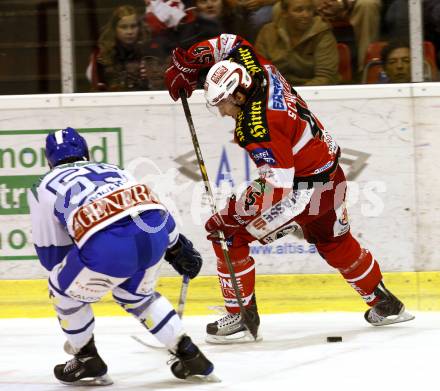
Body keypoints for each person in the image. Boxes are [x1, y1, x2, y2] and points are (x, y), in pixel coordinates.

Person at [164, 33, 414, 343]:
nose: (223, 112)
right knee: (334, 241)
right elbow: (233, 42)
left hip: (302, 193)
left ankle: (240, 315)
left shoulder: (258, 127)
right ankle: (385, 303)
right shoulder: (258, 69)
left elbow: (277, 188)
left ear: (239, 96)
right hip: (331, 177)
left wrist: (234, 212)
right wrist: (193, 59)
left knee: (225, 234)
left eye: (224, 104)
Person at [27, 127, 216, 384]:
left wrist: (85, 269)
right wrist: (176, 247)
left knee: (61, 289)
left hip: (108, 247)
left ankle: (86, 358)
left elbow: (52, 256)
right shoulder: (114, 169)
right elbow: (150, 206)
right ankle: (189, 354)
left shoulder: (43, 186)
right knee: (137, 296)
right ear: (86, 152)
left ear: (48, 160)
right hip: (153, 236)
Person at [255, 0, 340, 86]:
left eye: (309, 9)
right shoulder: (268, 32)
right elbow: (258, 72)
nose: (306, 15)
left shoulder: (322, 32)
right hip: (276, 91)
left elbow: (326, 77)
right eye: (299, 10)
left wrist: (295, 96)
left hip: (313, 91)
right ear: (284, 13)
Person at [87, 5, 166, 91]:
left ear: (139, 27)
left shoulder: (149, 52)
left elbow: (159, 86)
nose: (129, 32)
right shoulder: (102, 55)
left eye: (133, 26)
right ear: (115, 29)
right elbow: (96, 88)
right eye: (123, 27)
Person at [315, 0, 382, 72]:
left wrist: (342, 3)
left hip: (351, 6)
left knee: (368, 4)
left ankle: (367, 71)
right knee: (306, 8)